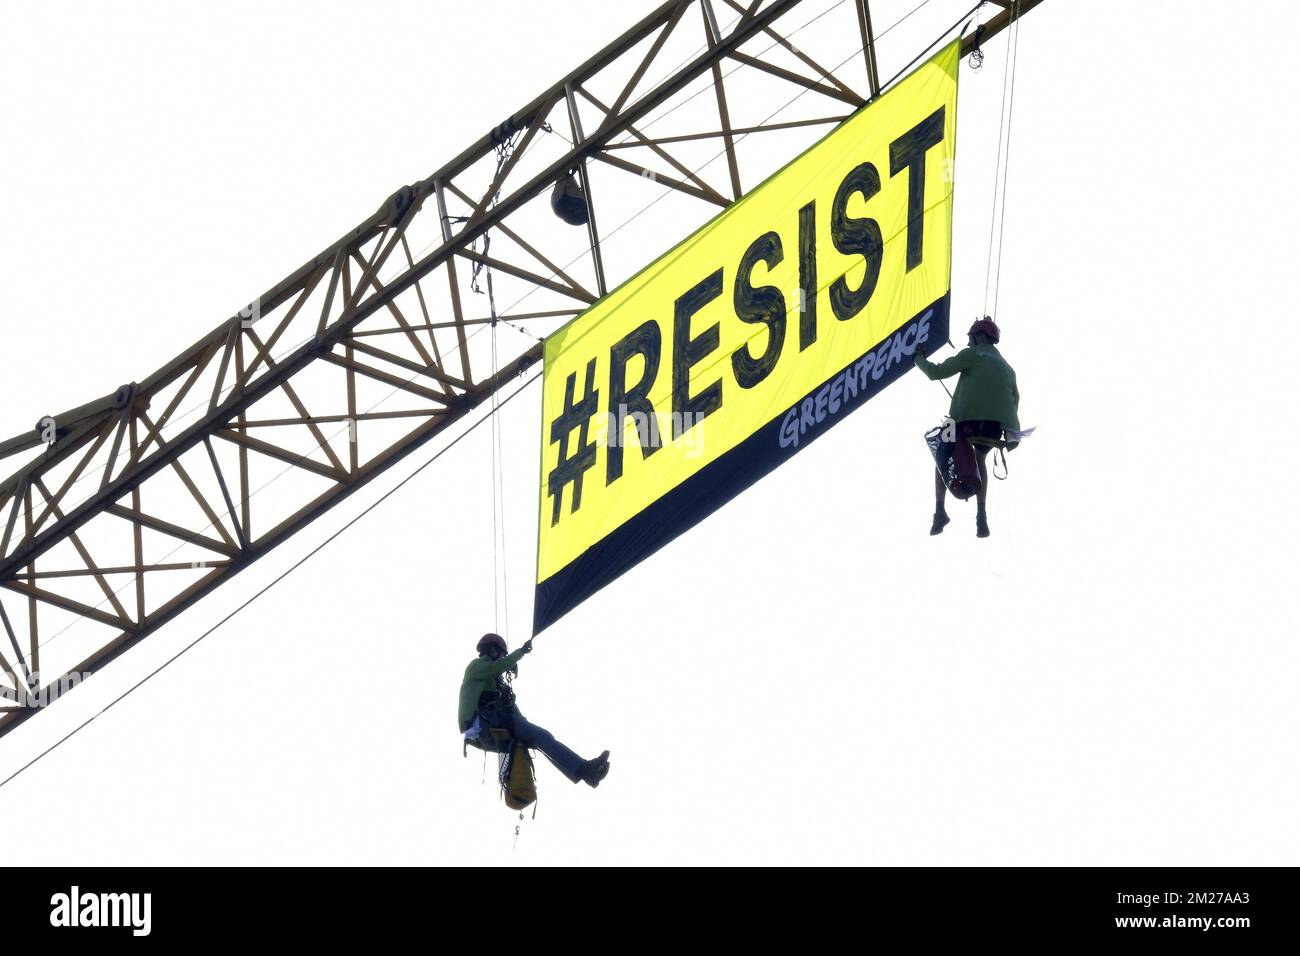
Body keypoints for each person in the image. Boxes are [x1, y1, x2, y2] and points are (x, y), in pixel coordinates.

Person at [914, 317, 1020, 538]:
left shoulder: (971, 355)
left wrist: (918, 359)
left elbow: (936, 373)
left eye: (971, 338)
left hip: (964, 425)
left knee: (941, 456)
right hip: (994, 429)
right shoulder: (1008, 368)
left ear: (978, 336)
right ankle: (981, 516)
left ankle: (939, 512)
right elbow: (1015, 400)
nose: (969, 342)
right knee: (980, 458)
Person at [459, 633, 610, 787]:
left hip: (484, 728)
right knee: (539, 736)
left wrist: (523, 723)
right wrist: (520, 653)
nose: (502, 659)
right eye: (501, 655)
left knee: (541, 738)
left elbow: (512, 713)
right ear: (492, 650)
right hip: (477, 727)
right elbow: (495, 668)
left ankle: (584, 772)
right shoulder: (476, 666)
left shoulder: (492, 682)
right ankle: (585, 769)